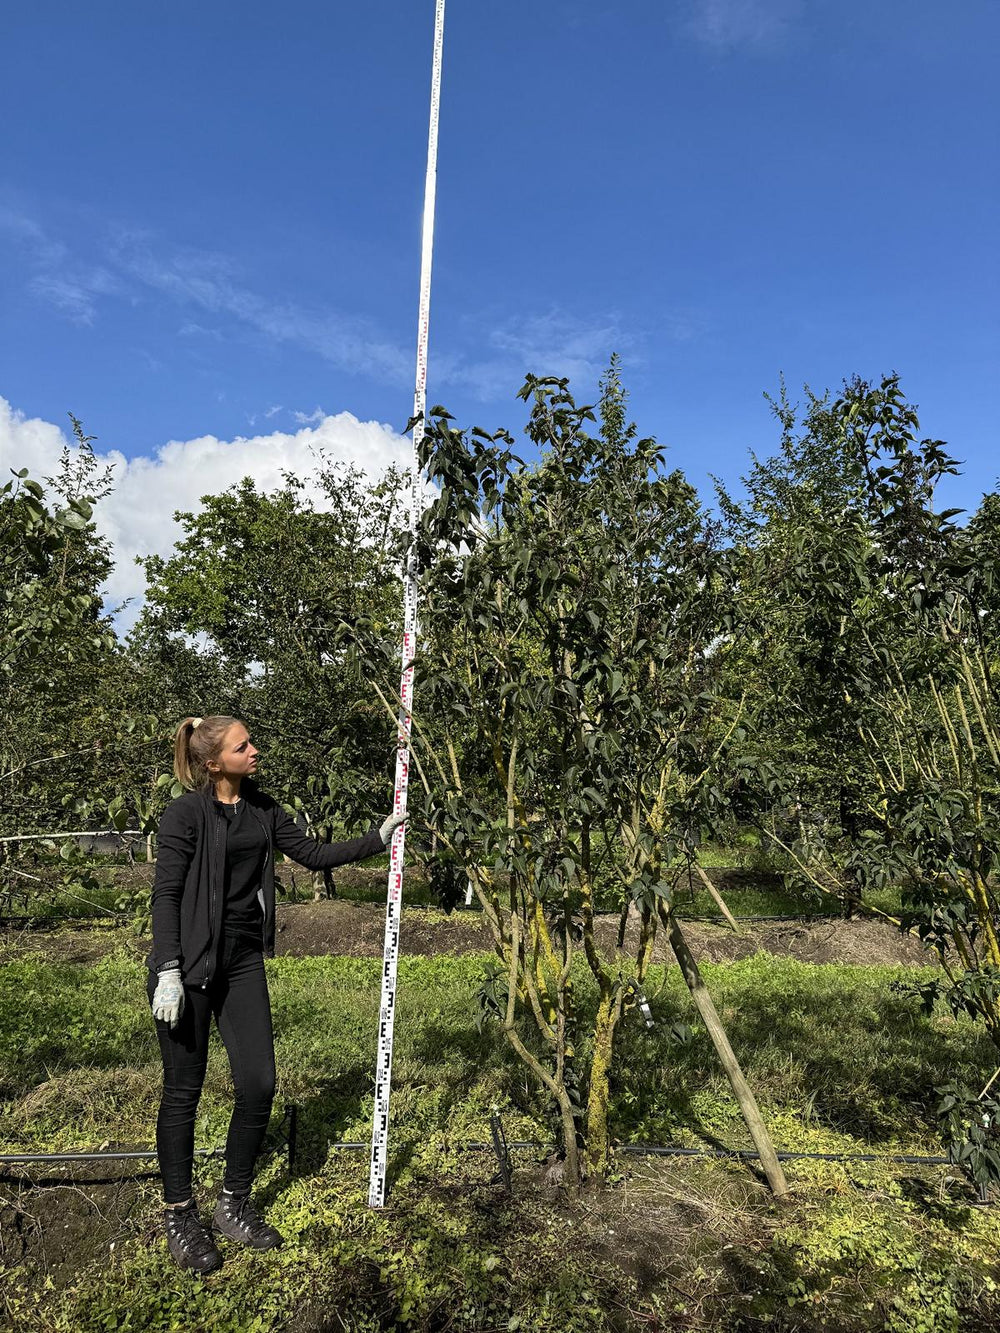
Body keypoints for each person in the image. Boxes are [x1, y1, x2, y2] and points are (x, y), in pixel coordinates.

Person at [147, 714, 403, 1275]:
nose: (255, 751)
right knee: (183, 1092)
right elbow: (166, 895)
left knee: (259, 1082)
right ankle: (180, 1215)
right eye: (244, 746)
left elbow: (310, 855)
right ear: (213, 762)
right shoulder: (185, 813)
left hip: (240, 962)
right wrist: (167, 967)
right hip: (186, 968)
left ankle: (232, 1202)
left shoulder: (263, 809)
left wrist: (376, 840)